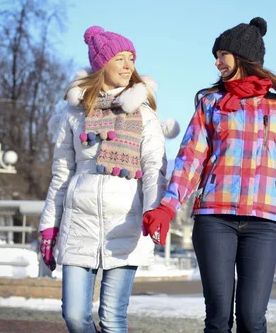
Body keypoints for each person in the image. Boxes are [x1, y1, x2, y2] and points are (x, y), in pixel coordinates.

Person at [142, 17, 276, 332]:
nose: (217, 61)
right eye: (217, 55)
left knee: (252, 318)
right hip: (214, 218)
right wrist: (168, 207)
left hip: (263, 224)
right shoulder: (210, 103)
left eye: (223, 54)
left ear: (243, 57)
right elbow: (190, 159)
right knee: (218, 318)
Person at [39, 26, 178, 333]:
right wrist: (49, 225)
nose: (129, 65)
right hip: (78, 225)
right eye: (120, 58)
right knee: (75, 316)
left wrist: (154, 211)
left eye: (132, 58)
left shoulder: (144, 115)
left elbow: (155, 168)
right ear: (102, 64)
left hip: (125, 225)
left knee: (113, 319)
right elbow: (61, 173)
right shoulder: (75, 115)